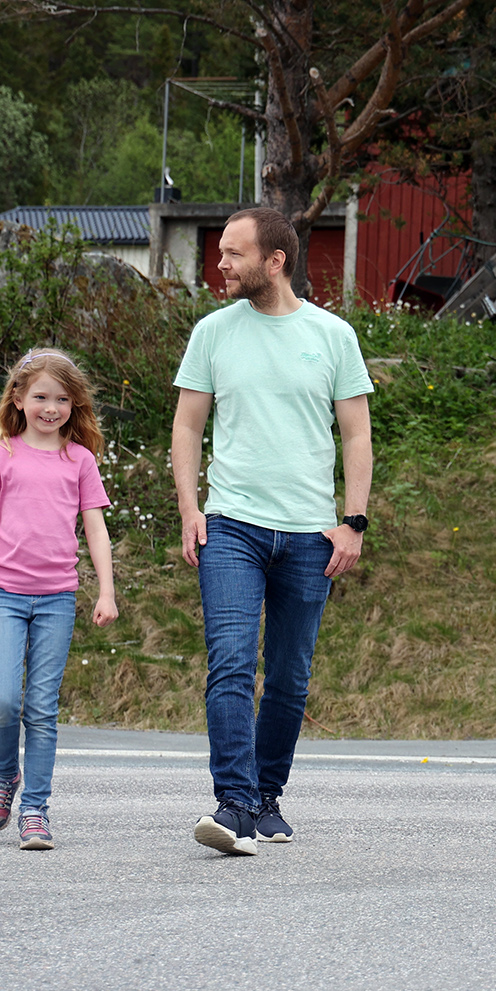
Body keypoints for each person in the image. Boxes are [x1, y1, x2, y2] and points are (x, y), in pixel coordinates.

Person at [172, 207, 373, 857]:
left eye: (233, 253)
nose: (220, 264)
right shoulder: (212, 333)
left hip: (312, 536)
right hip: (230, 526)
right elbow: (186, 426)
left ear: (276, 261)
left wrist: (353, 522)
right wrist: (189, 507)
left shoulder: (333, 335)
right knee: (230, 661)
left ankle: (267, 796)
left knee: (289, 677)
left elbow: (357, 434)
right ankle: (232, 804)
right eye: (220, 253)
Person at [0, 348, 119, 851]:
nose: (51, 408)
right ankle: (4, 776)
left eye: (61, 399)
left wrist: (106, 590)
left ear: (74, 405)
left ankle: (35, 810)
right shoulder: (1, 455)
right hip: (6, 593)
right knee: (4, 701)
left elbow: (95, 530)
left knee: (42, 709)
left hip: (57, 598)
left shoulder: (80, 461)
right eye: (41, 397)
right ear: (19, 398)